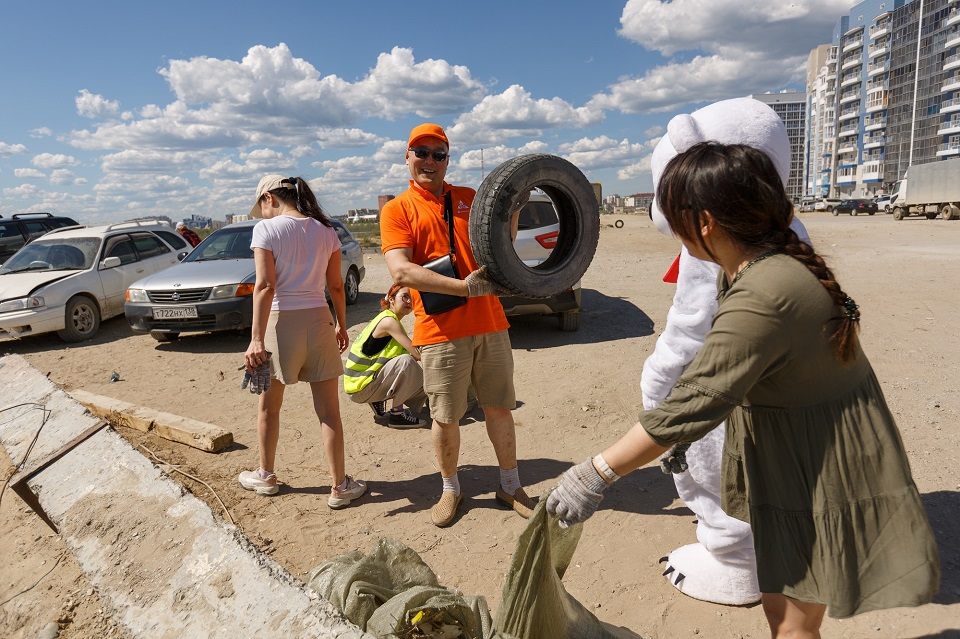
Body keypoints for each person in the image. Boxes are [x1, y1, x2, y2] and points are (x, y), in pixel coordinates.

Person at [546, 142, 939, 637]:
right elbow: (727, 378)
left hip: (816, 466)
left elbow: (694, 400)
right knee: (782, 606)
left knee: (793, 625)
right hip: (802, 450)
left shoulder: (764, 292)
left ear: (705, 221)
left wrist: (596, 473)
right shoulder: (762, 266)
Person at [642, 97, 811, 607]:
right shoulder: (789, 232)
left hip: (729, 394)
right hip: (786, 396)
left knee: (719, 471)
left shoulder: (715, 242)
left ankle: (733, 562)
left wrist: (657, 386)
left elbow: (690, 335)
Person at [379, 123, 534, 528]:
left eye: (439, 154)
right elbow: (402, 270)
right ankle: (451, 489)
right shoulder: (397, 210)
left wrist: (514, 209)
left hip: (490, 323)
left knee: (499, 408)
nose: (430, 161)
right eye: (422, 152)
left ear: (448, 159)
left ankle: (510, 485)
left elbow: (503, 243)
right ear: (407, 156)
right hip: (440, 331)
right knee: (445, 417)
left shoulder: (470, 198)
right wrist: (464, 289)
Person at [239, 174, 367, 510]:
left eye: (261, 206)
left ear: (269, 197)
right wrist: (340, 324)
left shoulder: (266, 230)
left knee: (269, 407)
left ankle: (266, 476)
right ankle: (339, 486)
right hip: (320, 320)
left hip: (280, 327)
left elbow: (265, 286)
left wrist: (255, 339)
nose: (262, 214)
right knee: (329, 412)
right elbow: (337, 286)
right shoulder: (326, 230)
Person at [343, 283, 428, 429]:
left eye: (412, 298)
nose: (409, 302)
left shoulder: (386, 318)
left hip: (359, 384)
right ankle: (397, 416)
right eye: (405, 297)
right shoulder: (389, 322)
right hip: (360, 388)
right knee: (407, 364)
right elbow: (416, 355)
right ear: (391, 299)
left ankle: (378, 398)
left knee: (411, 368)